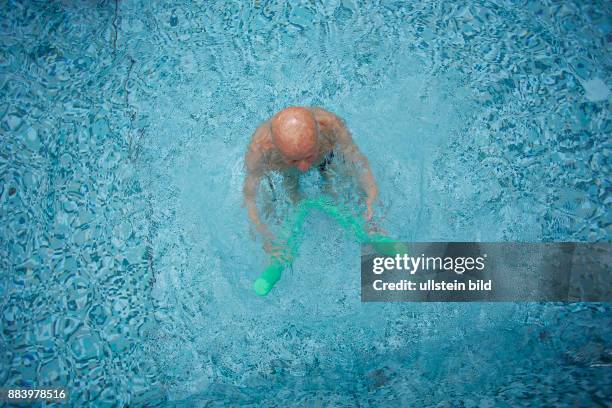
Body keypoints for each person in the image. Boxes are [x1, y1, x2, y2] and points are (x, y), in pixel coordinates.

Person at [243, 106, 379, 255]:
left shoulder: (331, 126)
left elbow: (357, 161)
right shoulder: (260, 149)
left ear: (319, 133)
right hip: (286, 173)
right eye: (294, 160)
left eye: (308, 157)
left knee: (342, 186)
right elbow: (250, 196)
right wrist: (265, 237)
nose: (304, 168)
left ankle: (370, 227)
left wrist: (371, 193)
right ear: (273, 146)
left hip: (324, 160)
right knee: (288, 208)